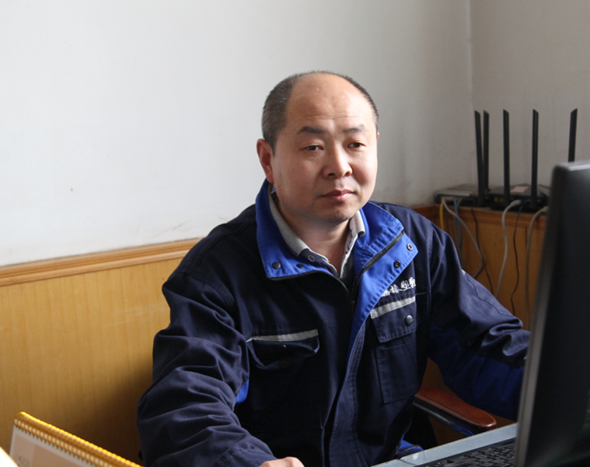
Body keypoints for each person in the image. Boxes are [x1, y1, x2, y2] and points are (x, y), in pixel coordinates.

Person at [137, 71, 529, 467]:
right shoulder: (216, 274)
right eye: (313, 147)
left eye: (355, 144)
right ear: (268, 159)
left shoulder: (412, 243)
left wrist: (562, 386)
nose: (339, 167)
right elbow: (187, 406)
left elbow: (487, 346)